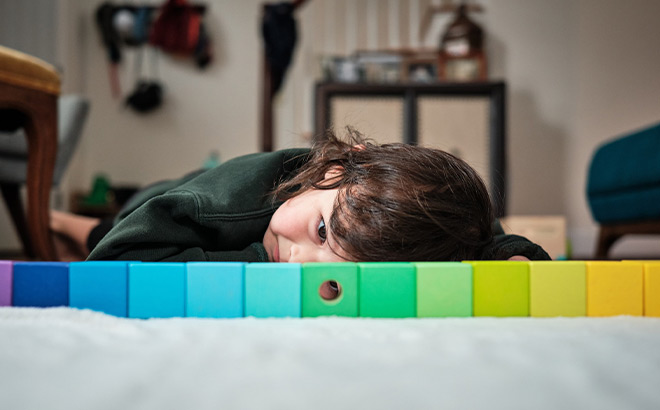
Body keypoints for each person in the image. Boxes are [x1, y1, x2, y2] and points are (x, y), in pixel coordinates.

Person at [50, 128, 550, 263]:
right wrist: (252, 260)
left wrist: (509, 254)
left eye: (334, 264)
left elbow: (471, 233)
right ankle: (58, 221)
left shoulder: (360, 205)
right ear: (331, 171)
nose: (301, 265)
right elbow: (115, 260)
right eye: (320, 231)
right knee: (104, 229)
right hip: (162, 198)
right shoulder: (221, 202)